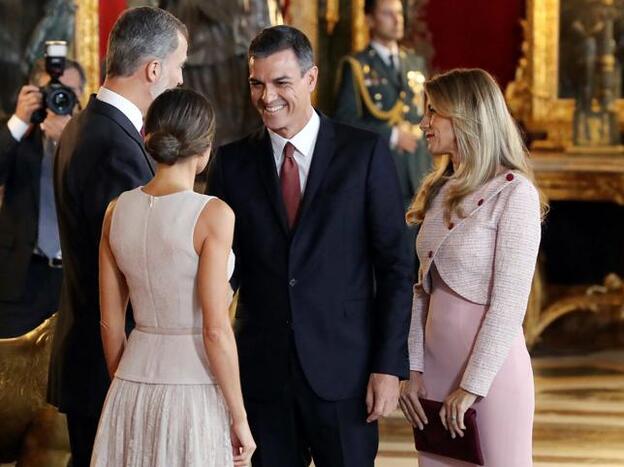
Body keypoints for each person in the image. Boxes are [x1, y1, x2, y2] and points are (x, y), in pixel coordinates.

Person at [206, 25, 412, 467]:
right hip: (262, 379)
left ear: (311, 79)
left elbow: (396, 266)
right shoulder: (231, 163)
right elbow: (223, 272)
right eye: (257, 83)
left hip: (346, 376)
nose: (267, 97)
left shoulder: (366, 154)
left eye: (281, 83)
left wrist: (389, 366)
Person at [46, 7, 188, 466]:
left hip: (94, 359)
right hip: (111, 363)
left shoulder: (91, 126)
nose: (180, 79)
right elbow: (136, 263)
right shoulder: (111, 144)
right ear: (154, 69)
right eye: (179, 66)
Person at [91, 88, 255, 467]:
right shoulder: (213, 213)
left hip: (129, 382)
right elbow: (216, 330)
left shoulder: (116, 210)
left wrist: (128, 383)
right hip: (193, 387)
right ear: (204, 150)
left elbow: (110, 325)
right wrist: (240, 418)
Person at [399, 68, 546, 466]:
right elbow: (421, 291)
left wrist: (472, 387)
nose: (423, 122)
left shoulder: (516, 194)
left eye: (434, 112)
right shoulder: (439, 189)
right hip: (434, 372)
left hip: (490, 379)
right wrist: (412, 370)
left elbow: (509, 305)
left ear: (466, 116)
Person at [334, 0, 431, 267]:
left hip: (418, 176)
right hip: (382, 175)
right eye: (388, 14)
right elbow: (343, 121)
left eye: (399, 14)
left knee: (418, 263)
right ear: (370, 20)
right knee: (388, 263)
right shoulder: (356, 65)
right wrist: (390, 135)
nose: (397, 20)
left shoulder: (415, 63)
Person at [0, 58, 85, 338]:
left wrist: (70, 141)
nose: (61, 100)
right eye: (54, 91)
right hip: (21, 278)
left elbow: (98, 190)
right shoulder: (19, 138)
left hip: (74, 278)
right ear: (36, 94)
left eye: (70, 93)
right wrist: (19, 120)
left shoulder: (92, 143)